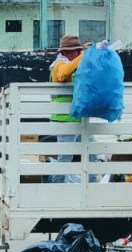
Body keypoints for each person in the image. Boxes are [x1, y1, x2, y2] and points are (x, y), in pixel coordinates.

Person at [47, 34, 86, 184]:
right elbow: (64, 73)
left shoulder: (73, 64)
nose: (77, 54)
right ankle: (56, 190)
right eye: (75, 51)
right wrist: (83, 56)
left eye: (79, 51)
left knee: (92, 153)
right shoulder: (58, 65)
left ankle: (90, 189)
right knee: (65, 158)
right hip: (64, 119)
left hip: (78, 118)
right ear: (64, 52)